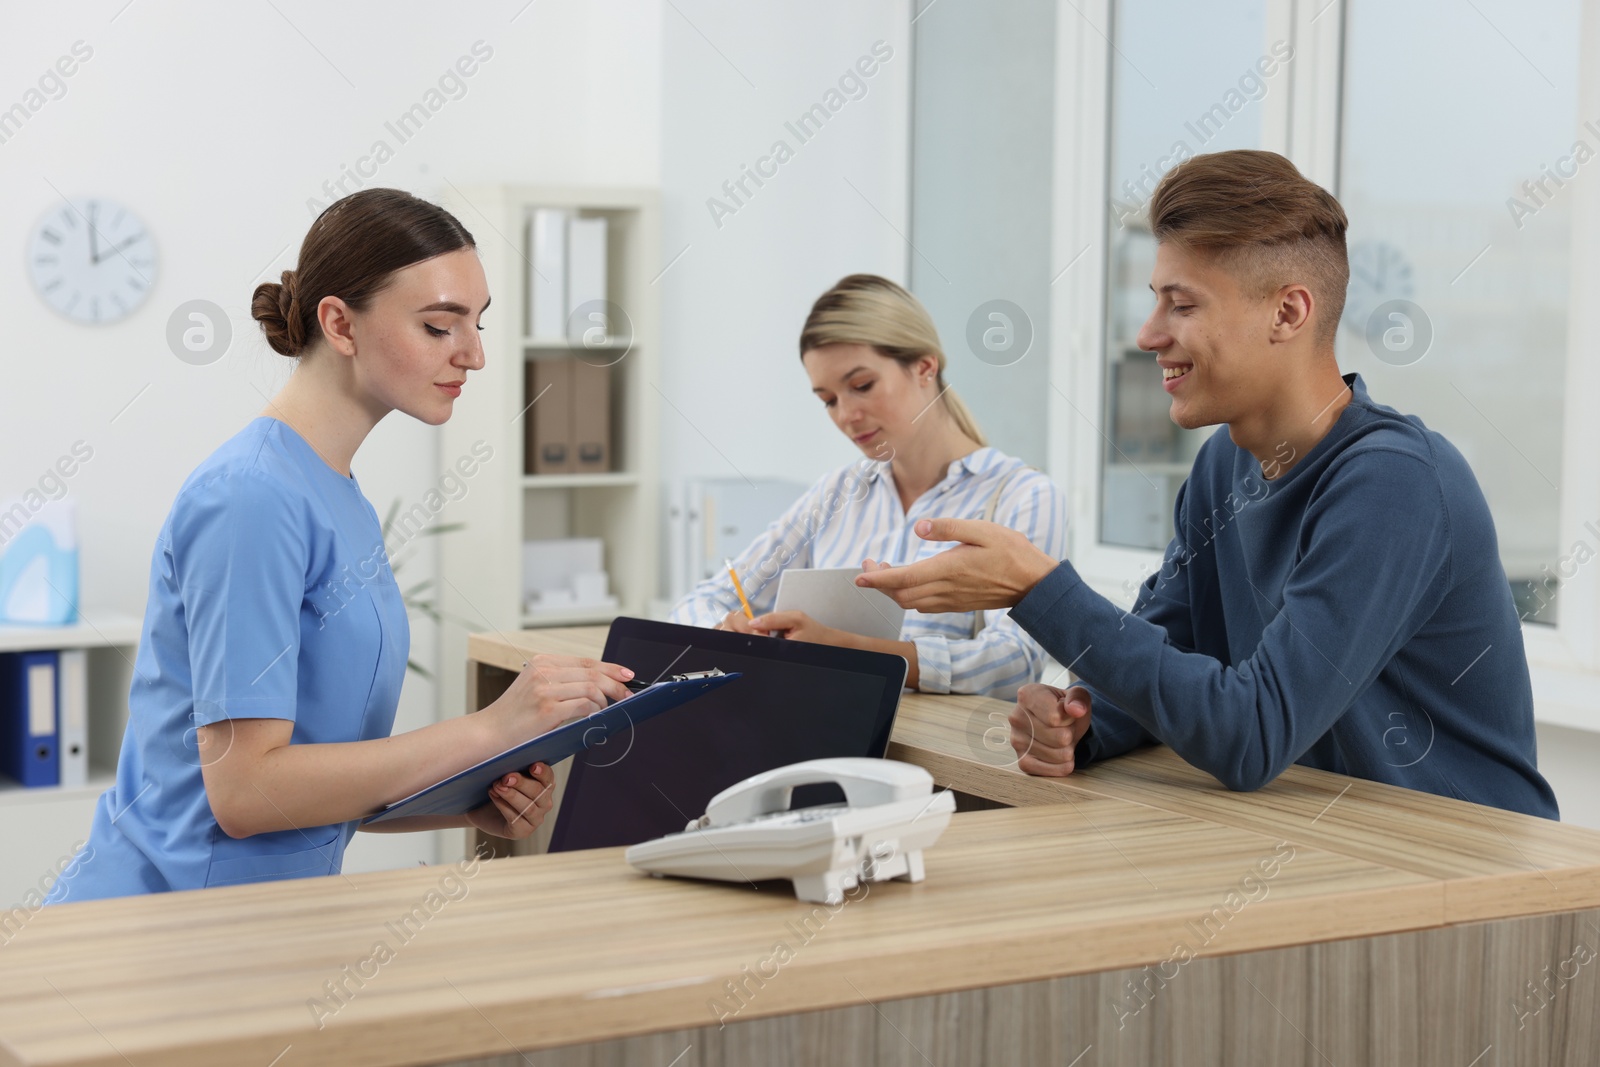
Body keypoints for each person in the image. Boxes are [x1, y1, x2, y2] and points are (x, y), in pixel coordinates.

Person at [856, 151, 1559, 819]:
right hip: (1329, 849)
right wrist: (1083, 721)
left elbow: (1251, 733)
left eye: (1180, 305)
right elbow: (1174, 653)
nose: (1147, 333)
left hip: (1474, 884)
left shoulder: (1395, 483)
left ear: (1287, 313)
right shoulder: (1224, 466)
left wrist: (1038, 589)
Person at [47, 189, 634, 903]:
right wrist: (488, 729)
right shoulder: (251, 496)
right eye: (439, 325)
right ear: (339, 323)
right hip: (166, 920)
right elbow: (245, 790)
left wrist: (458, 799)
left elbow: (311, 780)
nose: (474, 355)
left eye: (477, 325)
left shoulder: (333, 493)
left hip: (265, 917)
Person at [670, 274, 1068, 698]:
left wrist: (850, 650)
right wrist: (723, 631)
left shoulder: (1024, 497)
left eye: (861, 386)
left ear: (925, 367)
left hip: (945, 755)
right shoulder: (835, 494)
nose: (846, 415)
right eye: (828, 400)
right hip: (830, 738)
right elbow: (702, 600)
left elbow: (1014, 661)